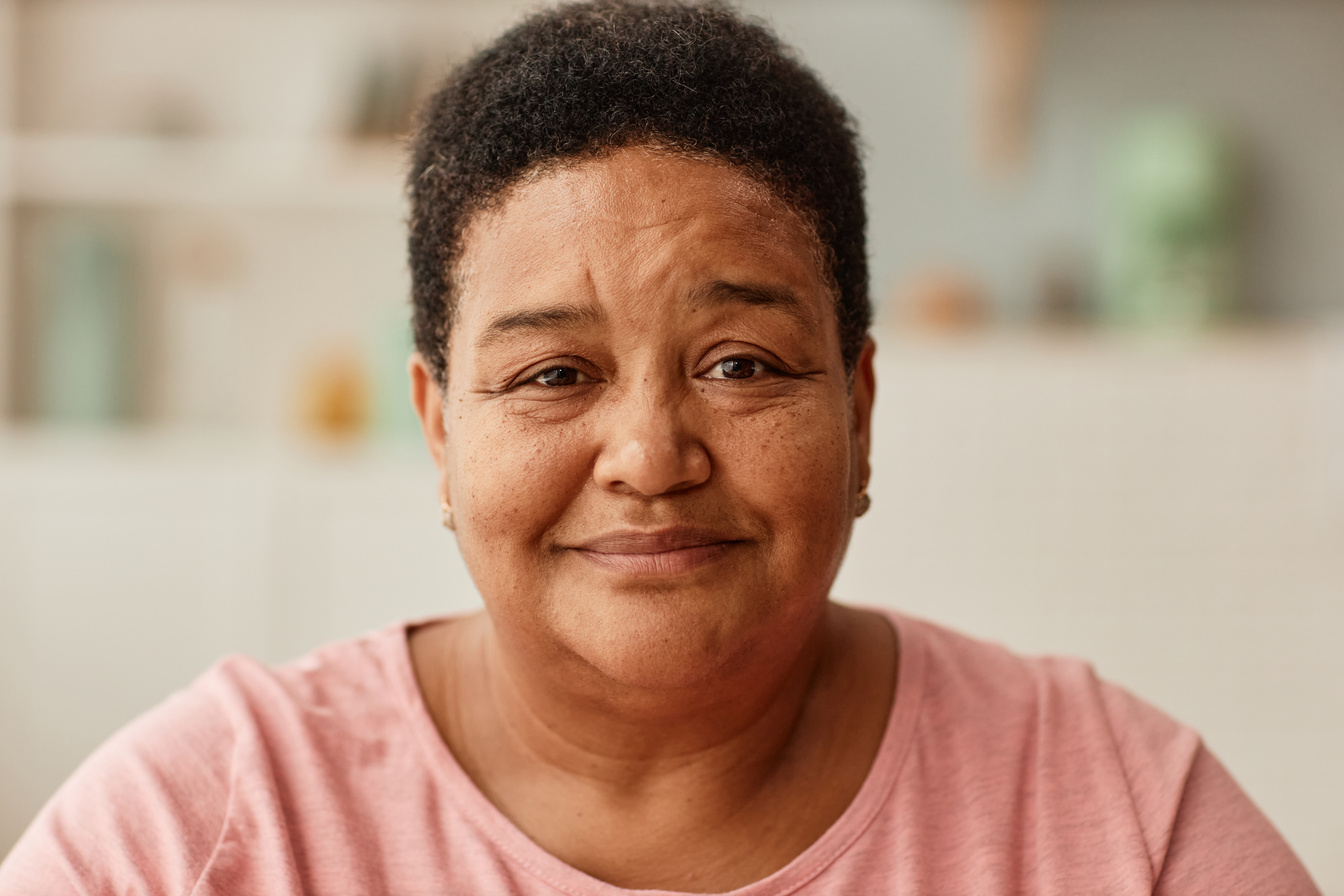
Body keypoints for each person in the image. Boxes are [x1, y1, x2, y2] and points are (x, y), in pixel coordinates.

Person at [0, 2, 1321, 893]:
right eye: (555, 373)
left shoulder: (1118, 819)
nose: (648, 453)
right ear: (440, 431)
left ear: (860, 410)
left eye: (740, 364)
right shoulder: (203, 830)